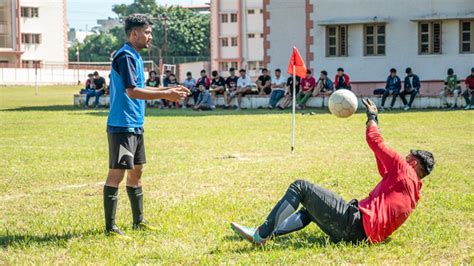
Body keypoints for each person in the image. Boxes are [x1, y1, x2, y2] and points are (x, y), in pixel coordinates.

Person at [231, 98, 435, 246]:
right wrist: (376, 135)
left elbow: (375, 141)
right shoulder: (413, 188)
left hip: (354, 226)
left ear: (414, 163)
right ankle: (272, 233)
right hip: (360, 236)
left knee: (300, 187)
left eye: (408, 157)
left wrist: (372, 118)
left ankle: (260, 235)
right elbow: (383, 167)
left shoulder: (404, 169)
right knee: (310, 208)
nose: (404, 157)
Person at [104, 14, 189, 239]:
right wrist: (166, 94)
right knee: (117, 173)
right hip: (122, 125)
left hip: (135, 124)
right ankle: (110, 228)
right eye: (148, 32)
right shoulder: (125, 56)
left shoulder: (135, 56)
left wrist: (168, 90)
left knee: (137, 171)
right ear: (134, 34)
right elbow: (132, 91)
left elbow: (140, 88)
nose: (150, 37)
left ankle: (138, 221)